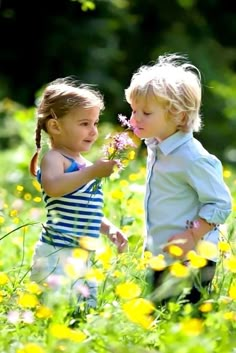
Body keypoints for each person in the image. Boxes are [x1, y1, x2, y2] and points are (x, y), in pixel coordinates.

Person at [124, 53, 232, 304]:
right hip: (163, 254)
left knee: (185, 321)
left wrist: (193, 236)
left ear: (179, 116)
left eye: (146, 113)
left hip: (192, 257)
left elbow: (220, 204)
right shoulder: (156, 147)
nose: (135, 118)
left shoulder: (192, 157)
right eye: (134, 110)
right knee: (161, 319)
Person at [29, 77, 127, 312]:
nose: (93, 131)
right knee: (54, 307)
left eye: (95, 123)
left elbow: (86, 208)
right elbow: (53, 186)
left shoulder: (83, 163)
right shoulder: (55, 158)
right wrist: (93, 172)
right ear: (55, 126)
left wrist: (108, 228)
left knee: (83, 309)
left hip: (83, 253)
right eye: (84, 123)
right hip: (57, 252)